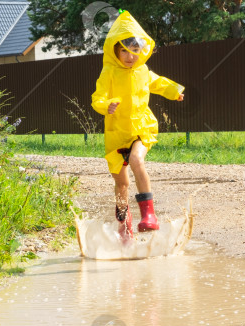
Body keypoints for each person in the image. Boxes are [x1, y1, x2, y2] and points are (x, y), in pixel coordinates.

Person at [91, 10, 184, 243]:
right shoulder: (109, 72)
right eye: (124, 50)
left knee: (136, 160)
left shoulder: (142, 71)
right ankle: (124, 226)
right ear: (115, 49)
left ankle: (149, 215)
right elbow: (97, 98)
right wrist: (106, 106)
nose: (130, 56)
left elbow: (159, 83)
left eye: (135, 51)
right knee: (121, 183)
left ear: (141, 50)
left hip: (142, 127)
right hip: (116, 134)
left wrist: (175, 91)